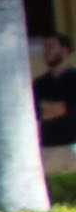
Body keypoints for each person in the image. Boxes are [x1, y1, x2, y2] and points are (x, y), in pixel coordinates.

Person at [35, 32, 76, 168]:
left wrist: (56, 108)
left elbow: (68, 109)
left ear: (65, 50)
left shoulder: (73, 79)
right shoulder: (39, 84)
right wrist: (60, 108)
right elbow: (38, 112)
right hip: (47, 146)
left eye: (51, 46)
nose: (47, 51)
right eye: (45, 47)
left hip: (72, 144)